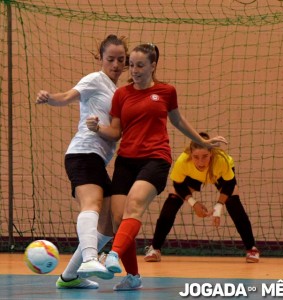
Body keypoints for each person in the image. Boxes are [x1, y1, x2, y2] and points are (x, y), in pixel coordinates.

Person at [86, 43, 228, 291]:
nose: (135, 70)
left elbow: (178, 120)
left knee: (134, 206)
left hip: (156, 159)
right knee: (119, 220)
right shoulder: (122, 94)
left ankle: (113, 256)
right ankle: (132, 277)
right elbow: (116, 131)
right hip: (126, 161)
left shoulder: (166, 91)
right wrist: (97, 128)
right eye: (132, 65)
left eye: (140, 65)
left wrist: (203, 141)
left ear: (153, 65)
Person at [35, 34, 129, 289]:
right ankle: (89, 258)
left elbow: (117, 132)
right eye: (110, 59)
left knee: (108, 225)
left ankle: (69, 276)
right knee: (92, 203)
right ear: (101, 58)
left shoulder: (119, 91)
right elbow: (67, 96)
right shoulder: (94, 80)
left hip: (99, 158)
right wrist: (49, 97)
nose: (116, 64)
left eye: (121, 60)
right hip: (82, 153)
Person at [144, 132, 260, 264]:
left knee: (233, 202)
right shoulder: (183, 161)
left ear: (211, 153)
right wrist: (193, 203)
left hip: (217, 175)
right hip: (194, 177)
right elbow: (178, 184)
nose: (200, 162)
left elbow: (230, 184)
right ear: (190, 155)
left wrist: (218, 207)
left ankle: (252, 249)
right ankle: (155, 248)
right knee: (172, 200)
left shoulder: (221, 160)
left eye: (205, 156)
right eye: (196, 157)